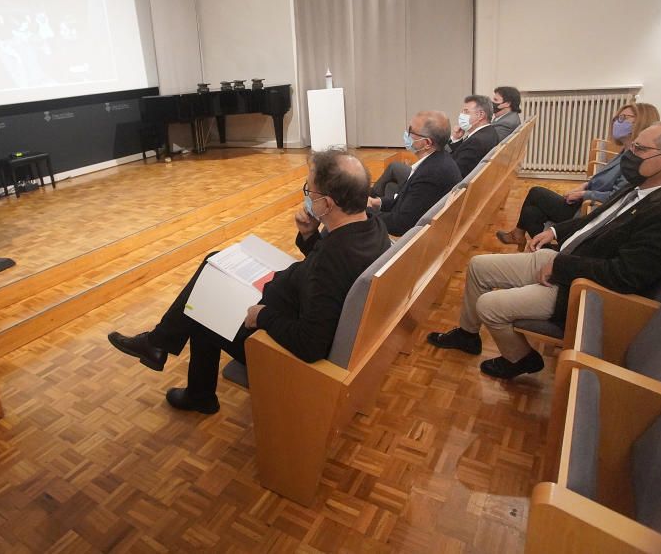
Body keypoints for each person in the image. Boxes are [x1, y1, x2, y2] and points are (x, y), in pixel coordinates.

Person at [107, 148, 392, 414]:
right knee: (215, 261)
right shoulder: (371, 225)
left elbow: (310, 344)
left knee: (206, 298)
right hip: (291, 296)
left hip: (278, 340)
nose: (307, 198)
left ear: (327, 204)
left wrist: (263, 316)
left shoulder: (333, 258)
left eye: (310, 191)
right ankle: (165, 352)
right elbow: (326, 273)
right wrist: (309, 236)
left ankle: (176, 365)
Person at [427, 121, 661, 379]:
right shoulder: (645, 185)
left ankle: (520, 358)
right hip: (570, 262)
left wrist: (560, 267)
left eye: (640, 149)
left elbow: (626, 275)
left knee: (489, 305)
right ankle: (467, 335)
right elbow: (594, 220)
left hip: (583, 288)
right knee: (478, 266)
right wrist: (555, 231)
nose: (630, 153)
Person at [495, 103, 660, 249]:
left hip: (588, 210)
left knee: (536, 192)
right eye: (617, 117)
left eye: (623, 118)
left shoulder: (635, 161)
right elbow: (601, 179)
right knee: (531, 213)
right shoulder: (626, 150)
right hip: (583, 201)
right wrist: (583, 186)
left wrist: (583, 194)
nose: (616, 121)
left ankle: (526, 238)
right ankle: (544, 249)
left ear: (640, 122)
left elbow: (617, 196)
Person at [368, 111, 462, 235]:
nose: (406, 135)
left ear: (427, 143)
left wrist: (367, 211)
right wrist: (378, 203)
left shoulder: (432, 173)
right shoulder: (437, 160)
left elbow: (400, 225)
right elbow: (405, 201)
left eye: (410, 132)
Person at [449, 95, 500, 176]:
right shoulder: (489, 131)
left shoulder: (476, 141)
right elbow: (462, 154)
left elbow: (453, 171)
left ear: (481, 115)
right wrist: (456, 139)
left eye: (466, 111)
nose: (461, 115)